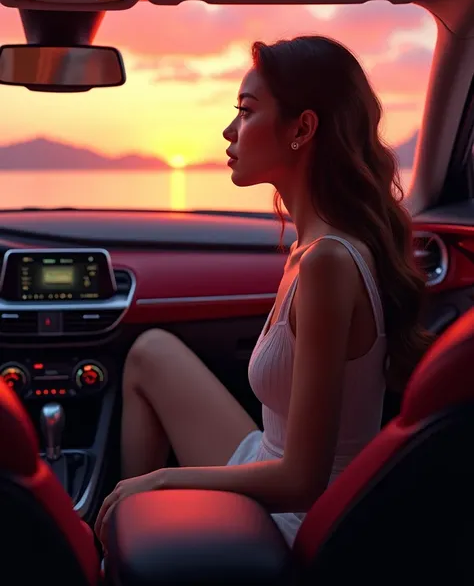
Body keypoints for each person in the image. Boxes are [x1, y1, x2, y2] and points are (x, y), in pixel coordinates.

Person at [95, 35, 431, 548]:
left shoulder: (328, 263)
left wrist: (159, 483)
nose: (229, 131)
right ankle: (128, 547)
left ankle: (133, 545)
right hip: (264, 457)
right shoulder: (312, 245)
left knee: (144, 483)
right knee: (150, 353)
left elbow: (301, 481)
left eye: (246, 112)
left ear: (302, 128)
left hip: (301, 521)